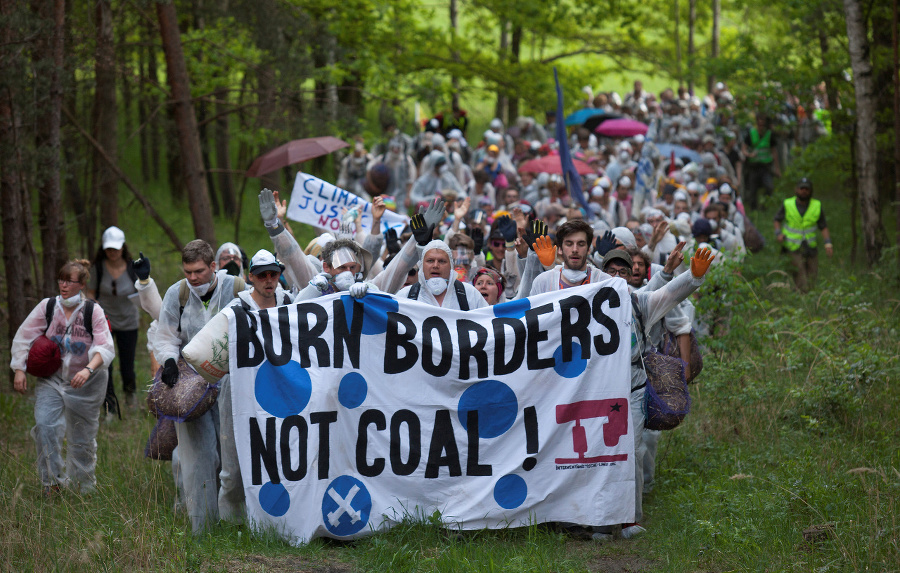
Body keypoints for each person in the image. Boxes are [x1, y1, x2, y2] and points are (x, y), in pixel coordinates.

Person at [154, 240, 244, 533]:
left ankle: (237, 522)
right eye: (188, 271)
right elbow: (166, 334)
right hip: (192, 384)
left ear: (214, 267)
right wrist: (168, 360)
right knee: (198, 456)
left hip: (233, 382)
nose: (193, 278)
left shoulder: (236, 287)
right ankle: (203, 528)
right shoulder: (177, 293)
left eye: (199, 271)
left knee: (232, 453)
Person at [11, 259, 115, 495]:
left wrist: (88, 369)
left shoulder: (92, 310)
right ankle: (52, 483)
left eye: (69, 281)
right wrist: (19, 368)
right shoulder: (48, 307)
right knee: (45, 425)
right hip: (53, 379)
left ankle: (84, 486)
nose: (63, 285)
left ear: (82, 284)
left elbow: (106, 347)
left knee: (82, 436)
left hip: (87, 383)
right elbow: (24, 336)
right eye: (61, 280)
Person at [218, 250, 293, 522]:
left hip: (282, 395)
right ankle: (231, 527)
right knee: (233, 467)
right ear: (250, 277)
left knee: (281, 461)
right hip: (240, 397)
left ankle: (278, 522)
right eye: (262, 275)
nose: (269, 280)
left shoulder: (292, 306)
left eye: (273, 274)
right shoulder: (233, 312)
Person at [86, 226, 140, 416]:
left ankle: (130, 394)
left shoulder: (134, 267)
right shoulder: (98, 268)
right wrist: (94, 307)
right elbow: (90, 292)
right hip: (104, 323)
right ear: (103, 248)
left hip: (129, 322)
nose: (113, 253)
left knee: (127, 365)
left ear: (123, 247)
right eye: (109, 249)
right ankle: (109, 405)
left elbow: (144, 291)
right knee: (104, 365)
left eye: (116, 249)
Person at [774, 177, 832, 292]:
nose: (804, 191)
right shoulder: (788, 204)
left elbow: (823, 226)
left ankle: (808, 299)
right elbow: (777, 220)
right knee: (800, 274)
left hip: (810, 246)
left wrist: (828, 243)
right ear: (796, 189)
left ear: (810, 191)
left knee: (812, 275)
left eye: (807, 189)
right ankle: (801, 297)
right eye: (801, 188)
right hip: (793, 246)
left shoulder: (816, 205)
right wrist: (778, 233)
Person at [397, 239, 489, 310]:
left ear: (450, 266)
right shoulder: (405, 296)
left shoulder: (470, 294)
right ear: (422, 265)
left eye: (442, 261)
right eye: (430, 261)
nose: (436, 265)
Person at [742, 114, 781, 210]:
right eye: (759, 123)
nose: (761, 125)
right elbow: (744, 149)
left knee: (769, 186)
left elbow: (774, 151)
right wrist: (749, 155)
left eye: (763, 123)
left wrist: (777, 168)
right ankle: (753, 208)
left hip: (766, 166)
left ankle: (764, 205)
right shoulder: (751, 133)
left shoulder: (769, 134)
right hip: (753, 166)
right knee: (753, 189)